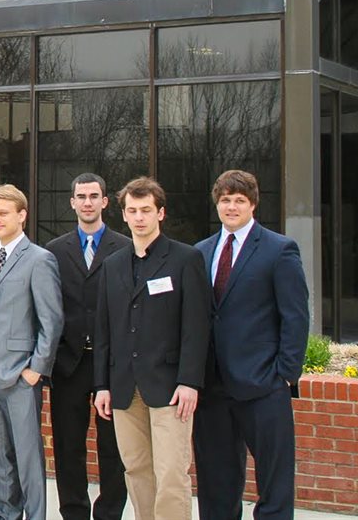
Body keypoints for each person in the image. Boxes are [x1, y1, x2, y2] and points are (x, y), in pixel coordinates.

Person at [193, 170, 309, 520]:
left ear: (253, 204)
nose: (231, 207)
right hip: (212, 388)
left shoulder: (279, 249)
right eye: (225, 200)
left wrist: (285, 374)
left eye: (239, 200)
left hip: (263, 385)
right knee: (215, 481)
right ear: (217, 204)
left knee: (274, 481)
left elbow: (296, 317)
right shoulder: (201, 252)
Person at [93, 177, 210, 520]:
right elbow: (104, 331)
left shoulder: (185, 259)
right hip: (124, 388)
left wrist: (190, 381)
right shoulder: (112, 265)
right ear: (124, 216)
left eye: (146, 210)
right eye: (132, 210)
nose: (139, 217)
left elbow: (196, 326)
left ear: (161, 213)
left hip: (171, 386)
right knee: (137, 469)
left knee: (172, 473)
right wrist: (101, 385)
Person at [0, 184, 63, 520]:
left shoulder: (40, 259)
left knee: (27, 456)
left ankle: (35, 515)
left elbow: (51, 320)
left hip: (22, 375)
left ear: (22, 215)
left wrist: (36, 368)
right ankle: (4, 513)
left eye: (2, 213)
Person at [45, 173, 128, 520]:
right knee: (68, 447)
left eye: (95, 196)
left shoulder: (124, 247)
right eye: (82, 196)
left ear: (105, 202)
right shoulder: (54, 250)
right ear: (72, 202)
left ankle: (109, 512)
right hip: (69, 364)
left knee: (114, 448)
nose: (88, 202)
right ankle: (74, 512)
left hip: (112, 365)